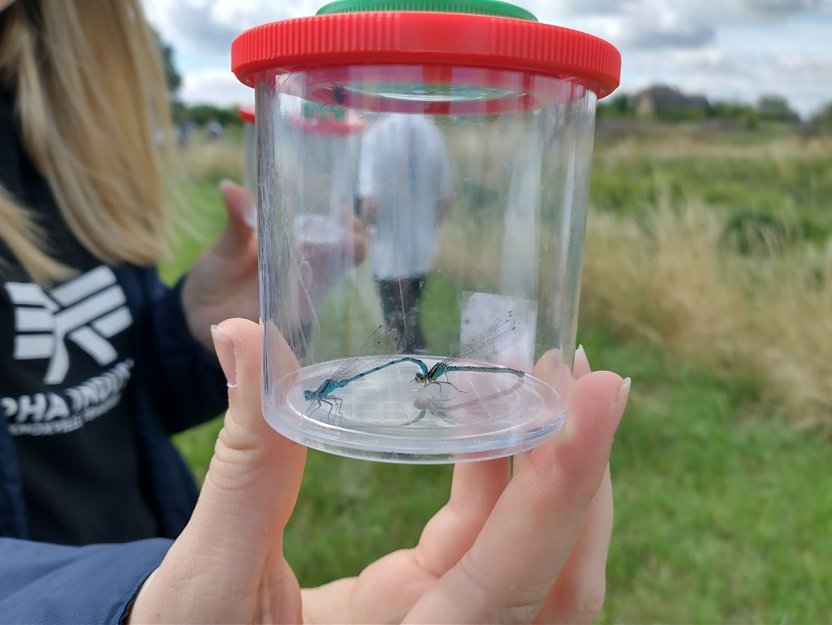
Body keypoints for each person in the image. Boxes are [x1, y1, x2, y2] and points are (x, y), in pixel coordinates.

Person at [0, 1, 631, 623]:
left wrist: (186, 331)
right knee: (408, 323)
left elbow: (104, 390)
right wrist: (113, 607)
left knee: (405, 324)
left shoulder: (64, 144)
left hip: (146, 544)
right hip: (123, 584)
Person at [358, 113, 453, 353]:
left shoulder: (376, 135)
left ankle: (414, 373)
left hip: (387, 254)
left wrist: (365, 227)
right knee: (410, 321)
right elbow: (445, 200)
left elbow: (371, 204)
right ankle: (419, 368)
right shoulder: (433, 133)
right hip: (421, 252)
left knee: (399, 328)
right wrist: (425, 228)